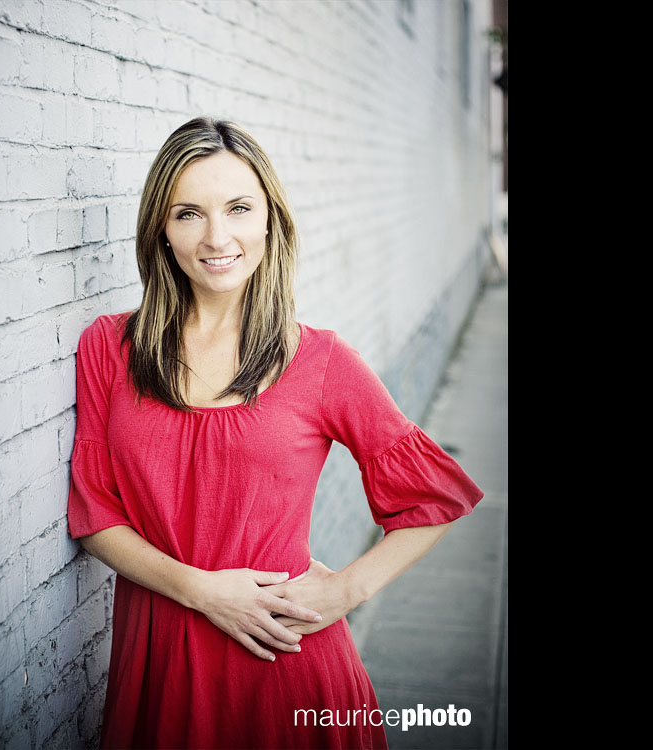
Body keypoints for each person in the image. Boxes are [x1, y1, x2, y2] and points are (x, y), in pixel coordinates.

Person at [67, 116, 483, 749]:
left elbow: (435, 500)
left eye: (239, 208)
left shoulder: (319, 361)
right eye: (188, 213)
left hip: (285, 665)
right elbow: (95, 514)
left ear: (270, 220)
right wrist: (203, 591)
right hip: (158, 659)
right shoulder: (108, 348)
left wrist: (347, 588)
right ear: (161, 228)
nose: (217, 237)